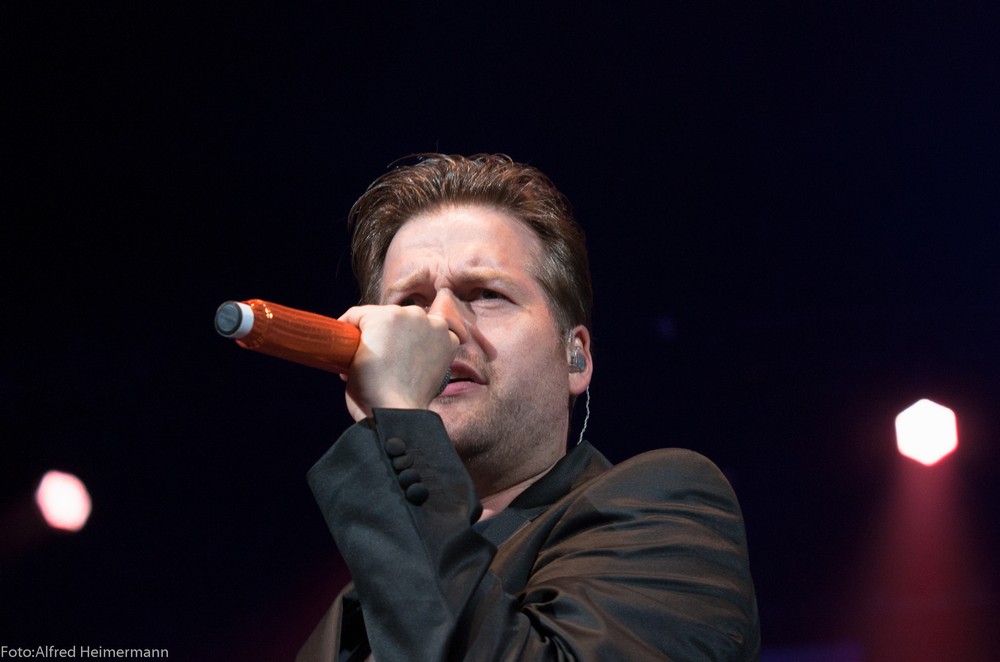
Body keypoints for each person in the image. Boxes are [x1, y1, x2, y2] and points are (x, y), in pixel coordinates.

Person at [297, 153, 760, 661]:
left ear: (575, 356)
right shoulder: (345, 620)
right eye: (409, 304)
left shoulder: (668, 509)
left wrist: (400, 417)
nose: (440, 324)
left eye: (486, 293)